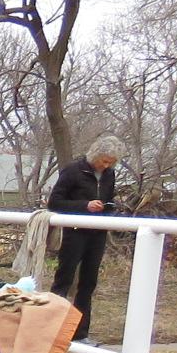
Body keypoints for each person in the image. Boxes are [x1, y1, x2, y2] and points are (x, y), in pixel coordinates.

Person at [47, 136, 122, 341]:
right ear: (95, 155)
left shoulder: (109, 175)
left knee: (88, 283)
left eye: (110, 162)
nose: (106, 166)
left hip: (98, 233)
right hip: (74, 232)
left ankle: (80, 333)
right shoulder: (72, 171)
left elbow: (109, 199)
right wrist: (84, 206)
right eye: (104, 161)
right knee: (64, 279)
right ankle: (51, 329)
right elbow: (54, 203)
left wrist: (109, 209)